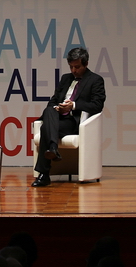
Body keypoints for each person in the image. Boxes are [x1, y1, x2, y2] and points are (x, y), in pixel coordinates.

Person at [32, 47, 105, 187]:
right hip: (58, 118)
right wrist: (58, 107)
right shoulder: (66, 79)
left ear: (86, 64)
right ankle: (53, 149)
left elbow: (97, 105)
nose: (73, 70)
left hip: (74, 121)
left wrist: (73, 106)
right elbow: (53, 100)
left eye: (77, 67)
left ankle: (44, 175)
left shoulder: (95, 80)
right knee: (49, 110)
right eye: (71, 67)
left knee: (45, 130)